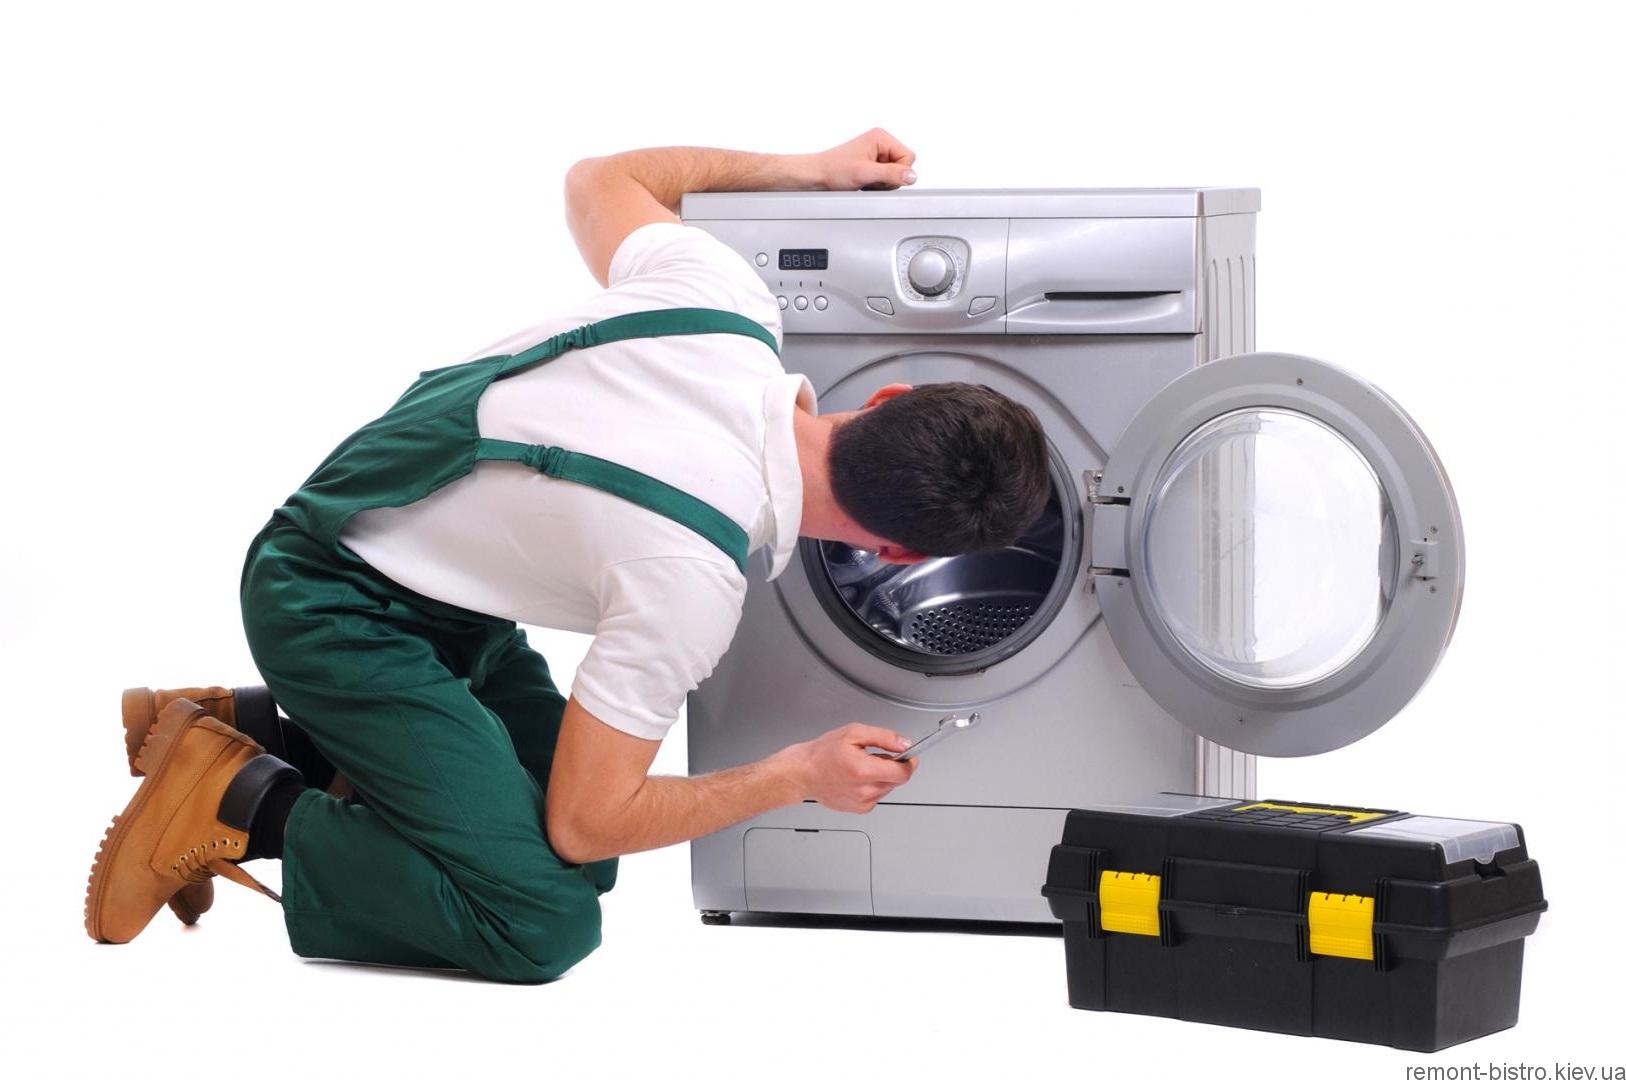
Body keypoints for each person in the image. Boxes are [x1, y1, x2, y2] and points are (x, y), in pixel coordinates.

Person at [83, 129, 1053, 983]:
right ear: (897, 551)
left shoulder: (728, 302)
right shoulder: (691, 579)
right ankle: (243, 799)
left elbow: (602, 177)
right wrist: (793, 775)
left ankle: (260, 730)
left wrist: (801, 168)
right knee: (539, 918)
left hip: (430, 584)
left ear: (886, 400)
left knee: (579, 865)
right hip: (329, 598)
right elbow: (587, 819)